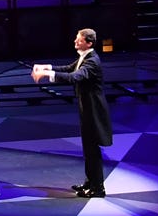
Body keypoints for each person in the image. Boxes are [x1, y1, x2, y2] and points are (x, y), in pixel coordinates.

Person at [33, 28, 114, 198]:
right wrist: (45, 67)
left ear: (89, 43)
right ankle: (90, 182)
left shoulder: (92, 61)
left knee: (92, 149)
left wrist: (46, 74)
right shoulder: (84, 57)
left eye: (79, 40)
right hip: (87, 109)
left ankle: (98, 188)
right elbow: (69, 68)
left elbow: (74, 77)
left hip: (94, 111)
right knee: (87, 148)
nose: (75, 42)